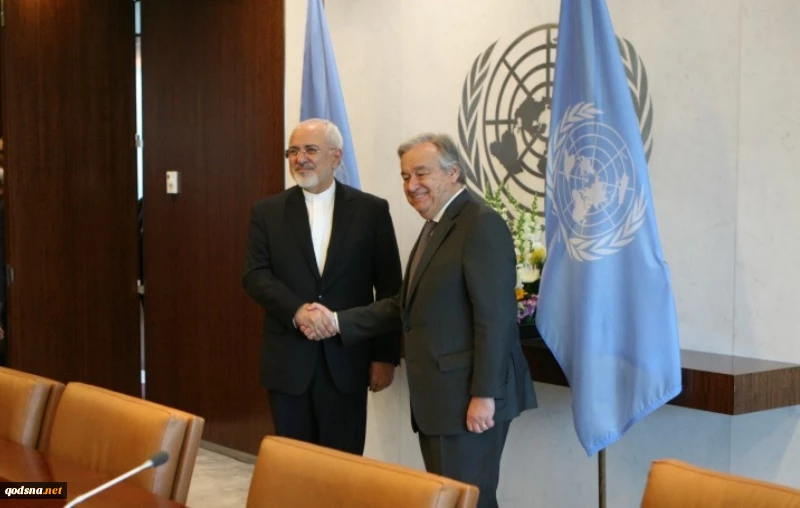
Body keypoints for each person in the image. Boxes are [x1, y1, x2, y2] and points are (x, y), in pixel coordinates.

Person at [301, 133, 537, 508]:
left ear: (453, 173)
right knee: (449, 499)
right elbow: (404, 305)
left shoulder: (479, 224)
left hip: (467, 398)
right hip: (441, 401)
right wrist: (337, 320)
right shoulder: (436, 224)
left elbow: (495, 320)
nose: (412, 186)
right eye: (405, 176)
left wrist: (484, 395)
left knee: (468, 500)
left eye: (421, 174)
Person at [242, 118, 403, 455]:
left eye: (311, 150)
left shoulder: (371, 211)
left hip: (347, 361)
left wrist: (384, 356)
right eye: (293, 151)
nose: (300, 158)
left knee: (342, 465)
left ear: (336, 156)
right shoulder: (266, 212)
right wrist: (298, 311)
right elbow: (256, 276)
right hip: (288, 363)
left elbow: (390, 289)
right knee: (293, 464)